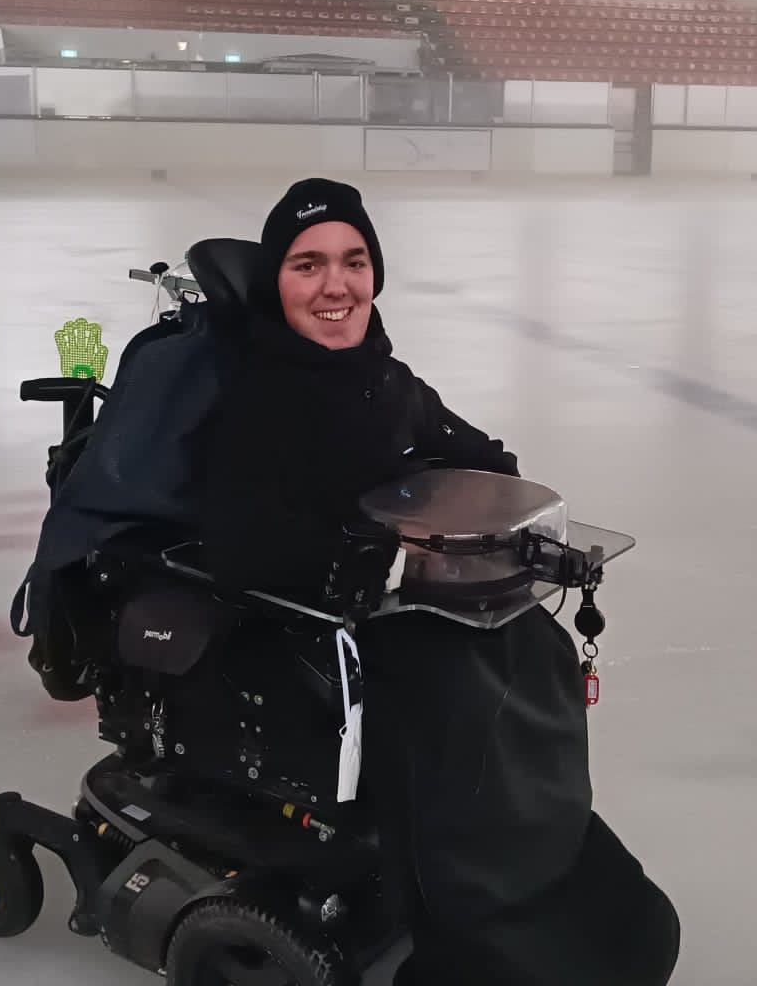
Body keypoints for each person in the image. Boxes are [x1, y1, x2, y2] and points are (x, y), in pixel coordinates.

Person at [199, 179, 680, 986]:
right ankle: (483, 935)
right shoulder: (257, 399)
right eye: (307, 265)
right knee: (463, 703)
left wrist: (484, 511)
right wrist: (384, 555)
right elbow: (244, 547)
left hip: (415, 601)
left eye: (354, 261)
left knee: (540, 652)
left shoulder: (383, 378)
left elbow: (477, 453)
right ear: (276, 283)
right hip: (322, 621)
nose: (335, 285)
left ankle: (560, 887)